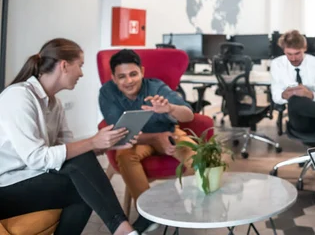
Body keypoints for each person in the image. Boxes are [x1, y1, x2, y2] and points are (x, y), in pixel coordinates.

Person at [0, 38, 140, 235]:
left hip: (31, 176)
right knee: (85, 187)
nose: (82, 73)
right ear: (64, 65)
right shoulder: (18, 97)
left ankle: (121, 229)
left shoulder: (54, 104)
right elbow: (36, 158)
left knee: (84, 182)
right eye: (80, 65)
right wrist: (92, 141)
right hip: (5, 187)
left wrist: (107, 144)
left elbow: (71, 148)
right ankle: (122, 228)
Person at [99, 48, 206, 233]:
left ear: (142, 71)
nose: (129, 81)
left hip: (170, 133)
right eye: (122, 76)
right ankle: (147, 212)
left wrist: (170, 109)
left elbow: (188, 115)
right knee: (124, 156)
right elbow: (121, 134)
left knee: (197, 156)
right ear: (114, 78)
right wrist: (156, 138)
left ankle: (199, 204)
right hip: (135, 141)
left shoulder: (156, 87)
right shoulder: (107, 93)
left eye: (133, 74)